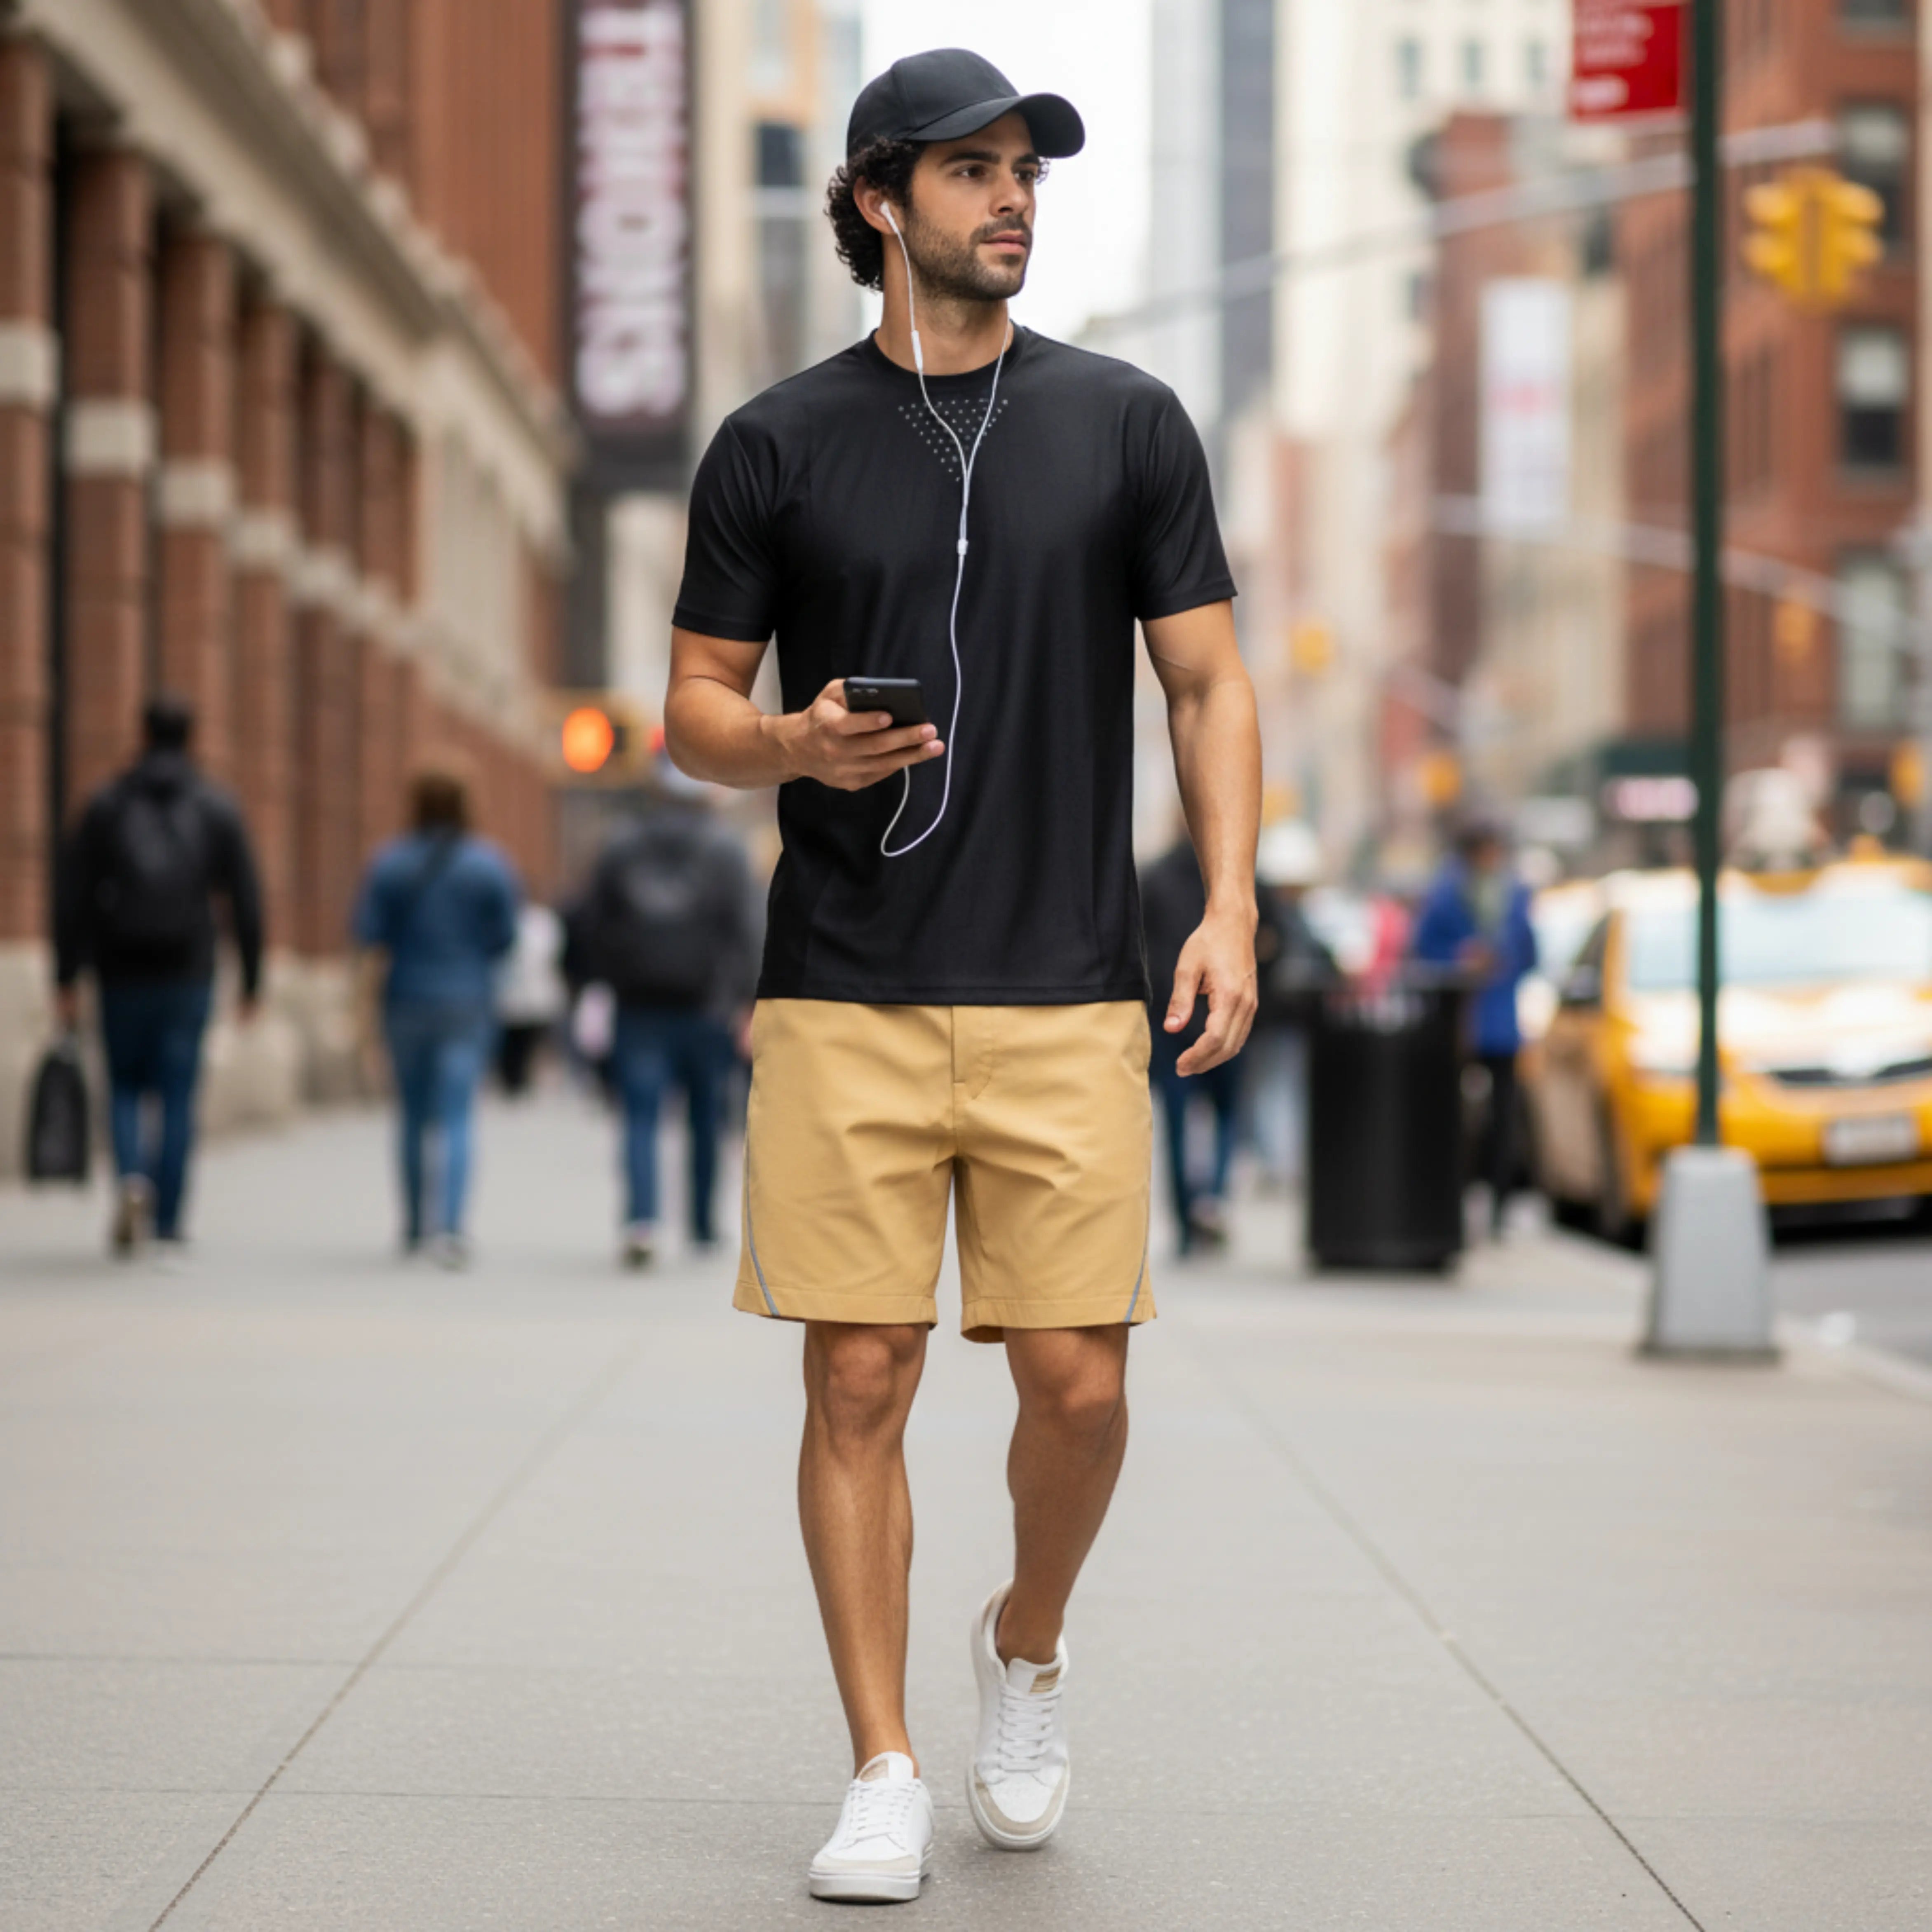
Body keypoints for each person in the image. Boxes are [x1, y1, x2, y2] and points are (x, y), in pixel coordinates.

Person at [664, 49, 1261, 1904]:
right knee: (858, 1373)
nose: (1010, 198)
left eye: (1024, 171)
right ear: (875, 202)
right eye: (969, 169)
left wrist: (1227, 902)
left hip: (1067, 986)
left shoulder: (1127, 422)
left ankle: (1022, 1637)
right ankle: (881, 1763)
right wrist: (792, 752)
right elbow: (690, 708)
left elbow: (1209, 684)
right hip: (842, 985)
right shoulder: (774, 439)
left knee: (1076, 1383)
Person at [53, 694, 263, 1259]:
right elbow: (245, 898)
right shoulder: (216, 806)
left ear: (141, 734)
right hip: (188, 972)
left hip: (120, 970)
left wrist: (65, 975)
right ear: (191, 737)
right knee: (176, 1093)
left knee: (122, 1085)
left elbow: (71, 896)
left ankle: (130, 1181)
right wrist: (252, 981)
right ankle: (167, 1222)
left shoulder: (106, 803)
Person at [578, 757, 759, 1268]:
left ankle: (641, 1220)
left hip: (638, 1003)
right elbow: (746, 929)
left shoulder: (620, 843)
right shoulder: (726, 848)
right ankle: (701, 1226)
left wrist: (607, 980)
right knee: (706, 1116)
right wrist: (747, 999)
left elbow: (592, 921)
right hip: (708, 1004)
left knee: (639, 1113)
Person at [352, 763, 519, 1268]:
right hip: (466, 1000)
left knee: (411, 1115)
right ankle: (450, 1228)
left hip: (405, 998)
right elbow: (507, 936)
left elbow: (367, 933)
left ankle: (411, 1226)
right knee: (457, 1114)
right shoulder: (488, 864)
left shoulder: (390, 862)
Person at [1412, 817, 1538, 1237]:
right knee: (1455, 1116)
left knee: (1502, 1120)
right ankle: (1452, 1200)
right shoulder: (1444, 895)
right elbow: (1421, 952)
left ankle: (1499, 1205)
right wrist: (1458, 960)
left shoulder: (1514, 895)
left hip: (1501, 1022)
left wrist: (1501, 959)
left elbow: (1529, 953)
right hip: (1459, 1022)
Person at [1140, 831, 1245, 1253]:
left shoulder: (1155, 877)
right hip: (1225, 1017)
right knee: (1226, 1117)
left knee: (1179, 1123)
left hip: (1171, 1021)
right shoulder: (1236, 881)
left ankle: (1188, 1219)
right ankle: (1212, 1198)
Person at [1249, 821, 1336, 1191]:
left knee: (1281, 1091)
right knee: (1273, 1092)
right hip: (1273, 1020)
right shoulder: (1272, 916)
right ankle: (1278, 1162)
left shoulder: (1292, 919)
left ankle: (1281, 1161)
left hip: (1288, 1020)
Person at [494, 899, 567, 1096]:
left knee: (527, 1037)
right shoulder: (525, 920)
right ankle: (513, 1078)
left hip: (532, 989)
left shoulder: (542, 921)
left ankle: (520, 1076)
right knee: (513, 1038)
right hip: (514, 989)